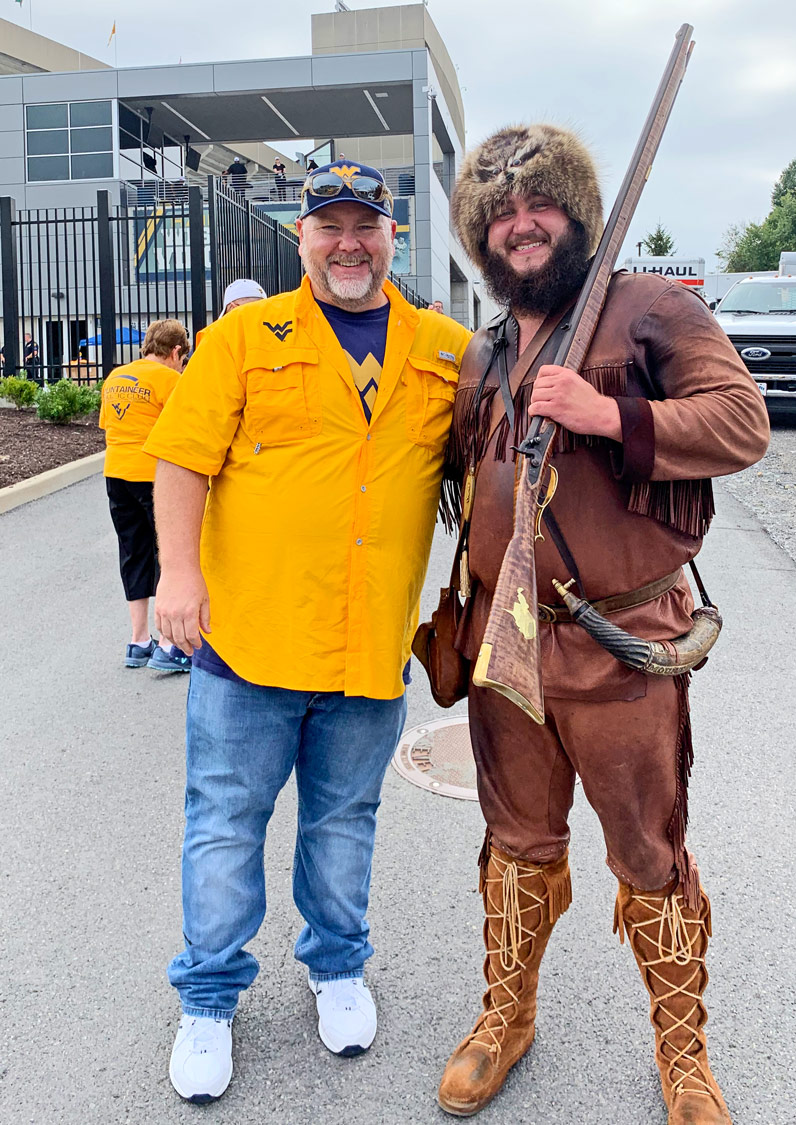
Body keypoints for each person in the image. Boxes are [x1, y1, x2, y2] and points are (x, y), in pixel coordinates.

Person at [437, 124, 770, 1123]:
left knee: (649, 856)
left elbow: (741, 424)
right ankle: (508, 1018)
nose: (519, 226)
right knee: (517, 845)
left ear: (576, 215)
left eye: (537, 208)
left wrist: (606, 414)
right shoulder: (487, 347)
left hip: (621, 646)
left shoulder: (649, 308)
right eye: (498, 216)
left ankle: (683, 1056)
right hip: (509, 647)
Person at [144, 159, 471, 1104]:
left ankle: (337, 966)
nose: (348, 243)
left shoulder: (444, 350)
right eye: (328, 226)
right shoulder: (247, 337)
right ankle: (207, 998)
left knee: (343, 821)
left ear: (392, 237)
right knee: (225, 824)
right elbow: (180, 460)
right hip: (251, 642)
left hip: (367, 650)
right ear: (303, 238)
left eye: (364, 224)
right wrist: (176, 574)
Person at [99, 319, 192, 674]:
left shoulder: (115, 378)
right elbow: (182, 427)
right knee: (168, 554)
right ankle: (169, 646)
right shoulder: (171, 380)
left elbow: (109, 425)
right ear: (175, 352)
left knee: (132, 550)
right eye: (182, 358)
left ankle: (138, 641)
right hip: (153, 477)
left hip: (116, 474)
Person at [194, 279, 267, 349]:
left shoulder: (213, 336)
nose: (260, 315)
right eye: (254, 309)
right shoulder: (216, 338)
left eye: (263, 309)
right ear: (233, 307)